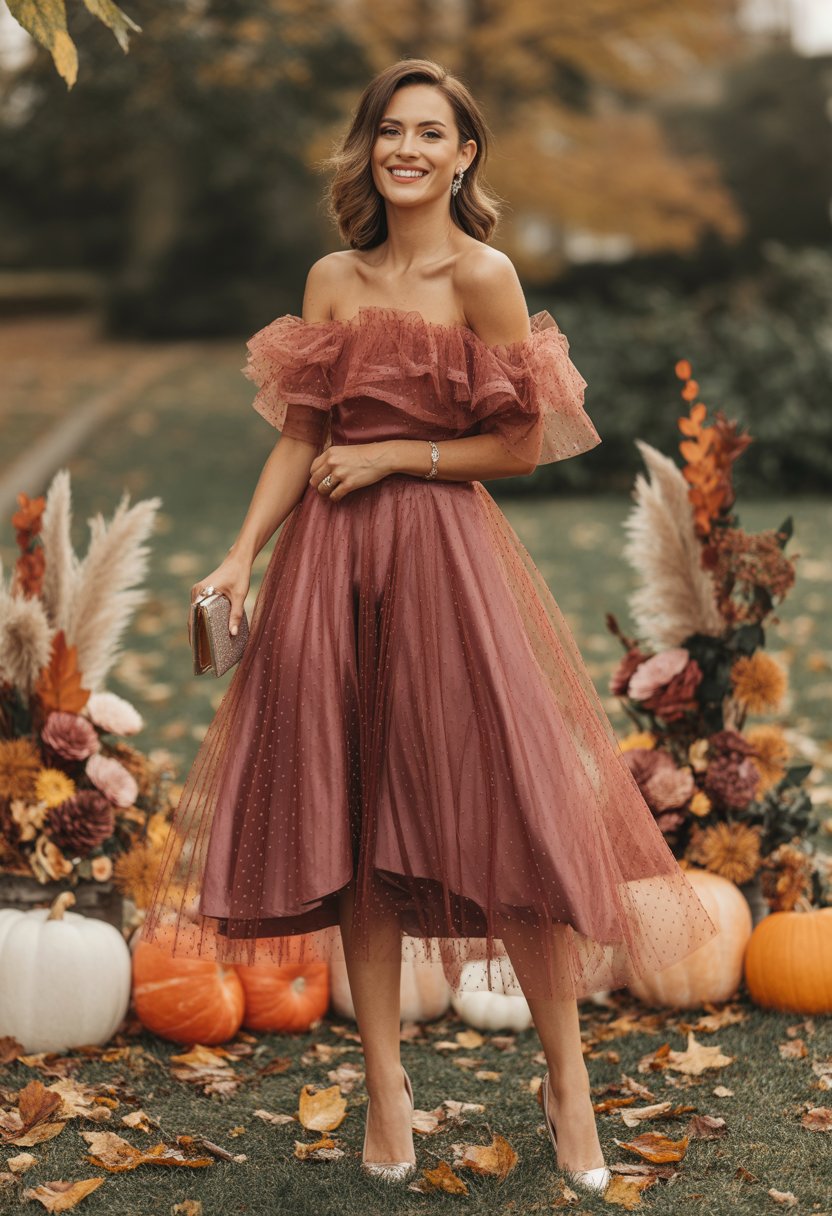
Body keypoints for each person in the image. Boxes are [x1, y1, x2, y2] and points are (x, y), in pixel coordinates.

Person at [142, 58, 719, 1193]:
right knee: (352, 821)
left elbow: (521, 443)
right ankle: (387, 1088)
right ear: (367, 150)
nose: (405, 149)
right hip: (326, 572)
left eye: (429, 134)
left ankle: (566, 1079)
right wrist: (235, 555)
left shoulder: (484, 277)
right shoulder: (331, 278)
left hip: (444, 568)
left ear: (464, 156)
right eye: (387, 131)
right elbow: (302, 436)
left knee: (501, 812)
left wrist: (401, 451)